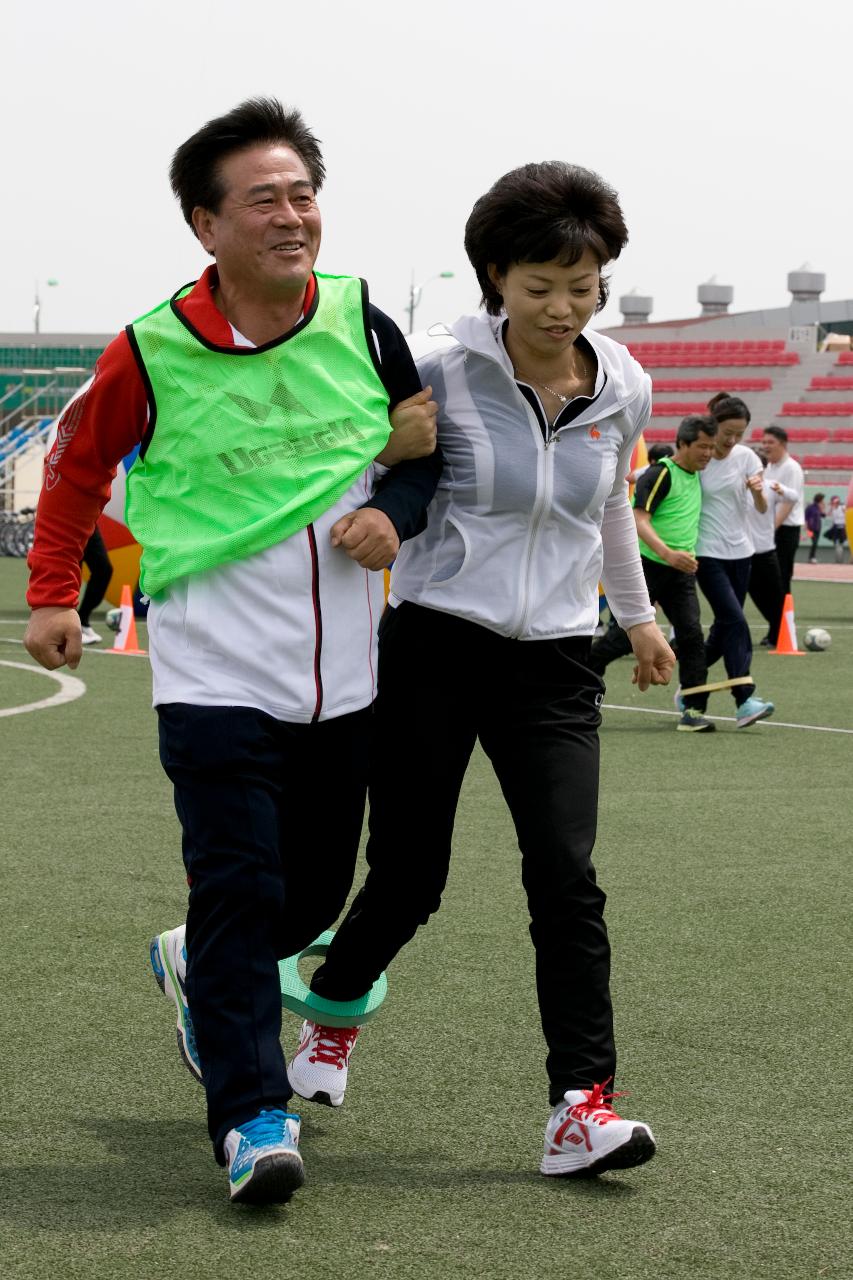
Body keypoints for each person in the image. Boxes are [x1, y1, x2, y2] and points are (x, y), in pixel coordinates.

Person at [24, 97, 440, 1205]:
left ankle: (194, 960)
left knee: (307, 891)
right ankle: (254, 1119)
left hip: (347, 674)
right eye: (264, 199)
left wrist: (396, 511)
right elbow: (73, 470)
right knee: (244, 888)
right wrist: (53, 593)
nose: (292, 216)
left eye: (304, 194)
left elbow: (419, 445)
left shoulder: (363, 319)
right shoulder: (149, 348)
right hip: (212, 670)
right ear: (206, 225)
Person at [288, 161, 675, 1180]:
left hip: (554, 660)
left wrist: (636, 620)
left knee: (566, 873)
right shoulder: (437, 371)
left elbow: (604, 507)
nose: (562, 308)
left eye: (582, 286)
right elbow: (380, 482)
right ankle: (331, 1015)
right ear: (495, 276)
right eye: (540, 285)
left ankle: (579, 1107)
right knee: (410, 876)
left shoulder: (624, 381)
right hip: (433, 646)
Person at [590, 414, 717, 731]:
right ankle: (583, 691)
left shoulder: (698, 477)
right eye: (702, 446)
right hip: (649, 567)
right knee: (620, 640)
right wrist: (667, 553)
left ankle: (693, 710)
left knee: (691, 636)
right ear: (683, 443)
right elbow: (638, 518)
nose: (708, 453)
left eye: (712, 448)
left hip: (680, 574)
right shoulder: (662, 474)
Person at [696, 395, 774, 726]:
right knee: (736, 620)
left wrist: (757, 490)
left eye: (739, 434)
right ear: (713, 425)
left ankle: (690, 687)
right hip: (706, 552)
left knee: (724, 628)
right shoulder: (699, 458)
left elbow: (761, 508)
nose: (731, 441)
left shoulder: (746, 458)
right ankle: (744, 700)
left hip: (742, 553)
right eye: (727, 432)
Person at [747, 445, 798, 647]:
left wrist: (782, 488)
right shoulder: (740, 486)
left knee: (777, 595)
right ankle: (773, 631)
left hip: (767, 551)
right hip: (745, 552)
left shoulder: (770, 486)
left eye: (759, 469)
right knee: (755, 595)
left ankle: (780, 634)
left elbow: (794, 497)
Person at [761, 425, 804, 593]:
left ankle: (784, 615)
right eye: (763, 442)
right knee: (770, 576)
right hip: (772, 527)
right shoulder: (770, 467)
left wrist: (771, 529)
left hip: (785, 529)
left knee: (782, 575)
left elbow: (788, 503)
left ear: (783, 444)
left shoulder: (791, 468)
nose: (765, 446)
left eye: (770, 442)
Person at [78, 525, 113, 643]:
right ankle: (70, 627)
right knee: (72, 573)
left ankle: (82, 620)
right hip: (67, 521)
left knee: (104, 569)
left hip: (89, 521)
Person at [804, 493, 826, 564]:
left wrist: (822, 509)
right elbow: (806, 517)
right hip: (810, 528)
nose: (823, 501)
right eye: (822, 500)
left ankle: (812, 557)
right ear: (819, 500)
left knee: (815, 543)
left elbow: (823, 515)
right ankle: (812, 557)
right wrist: (806, 527)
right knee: (814, 542)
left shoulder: (819, 507)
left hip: (818, 528)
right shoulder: (810, 507)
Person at [825, 495, 848, 562]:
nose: (834, 504)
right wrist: (830, 508)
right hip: (835, 526)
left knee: (841, 542)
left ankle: (840, 558)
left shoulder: (842, 507)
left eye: (835, 502)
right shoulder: (832, 508)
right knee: (835, 542)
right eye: (833, 502)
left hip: (842, 526)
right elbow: (830, 516)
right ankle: (838, 557)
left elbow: (847, 514)